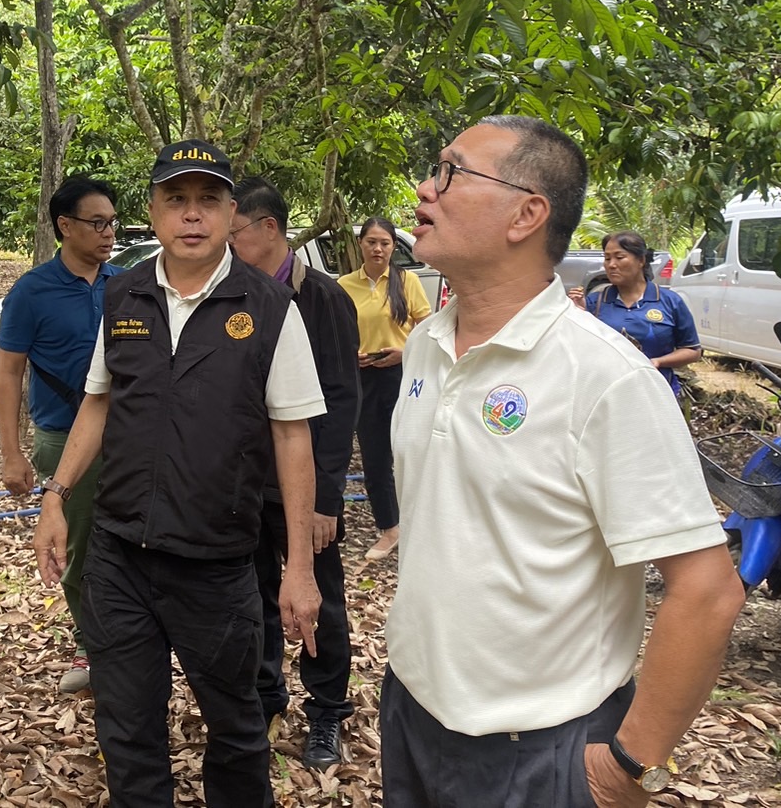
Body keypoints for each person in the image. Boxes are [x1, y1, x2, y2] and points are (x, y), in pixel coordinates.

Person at [384, 116, 745, 808]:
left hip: (539, 750)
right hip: (413, 711)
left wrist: (625, 771)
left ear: (526, 214)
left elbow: (706, 591)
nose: (424, 189)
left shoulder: (603, 375)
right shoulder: (427, 344)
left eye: (451, 172)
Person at [32, 139, 325, 808]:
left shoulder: (268, 307)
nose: (191, 216)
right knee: (127, 730)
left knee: (237, 727)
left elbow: (292, 435)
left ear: (228, 213)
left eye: (206, 201)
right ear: (153, 211)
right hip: (117, 557)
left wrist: (299, 566)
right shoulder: (126, 295)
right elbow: (98, 402)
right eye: (175, 200)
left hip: (216, 564)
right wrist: (56, 496)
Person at [229, 176, 360, 769]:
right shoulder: (232, 294)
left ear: (269, 229)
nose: (226, 245)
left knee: (319, 598)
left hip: (304, 488)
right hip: (244, 481)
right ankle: (265, 696)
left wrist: (325, 499)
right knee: (251, 594)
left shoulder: (323, 298)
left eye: (234, 233)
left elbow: (339, 401)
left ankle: (327, 709)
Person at [0, 174, 121, 695]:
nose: (108, 233)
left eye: (113, 222)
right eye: (97, 223)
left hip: (128, 436)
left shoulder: (125, 285)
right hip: (61, 433)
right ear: (65, 226)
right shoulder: (32, 291)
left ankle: (126, 635)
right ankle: (92, 647)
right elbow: (9, 373)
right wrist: (12, 454)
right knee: (77, 541)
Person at [337, 217, 431, 561]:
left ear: (394, 247)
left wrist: (403, 353)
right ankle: (389, 527)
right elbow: (337, 333)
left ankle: (421, 525)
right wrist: (351, 354)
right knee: (375, 457)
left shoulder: (409, 281)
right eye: (371, 242)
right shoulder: (345, 285)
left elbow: (428, 330)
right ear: (360, 244)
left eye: (385, 243)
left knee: (411, 451)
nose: (378, 249)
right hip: (363, 378)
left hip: (403, 377)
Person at [568, 230, 702, 399]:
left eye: (619, 257)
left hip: (658, 394)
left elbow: (692, 350)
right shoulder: (595, 302)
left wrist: (659, 362)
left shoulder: (669, 302)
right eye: (607, 258)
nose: (611, 264)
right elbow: (578, 349)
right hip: (608, 396)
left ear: (641, 260)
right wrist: (578, 313)